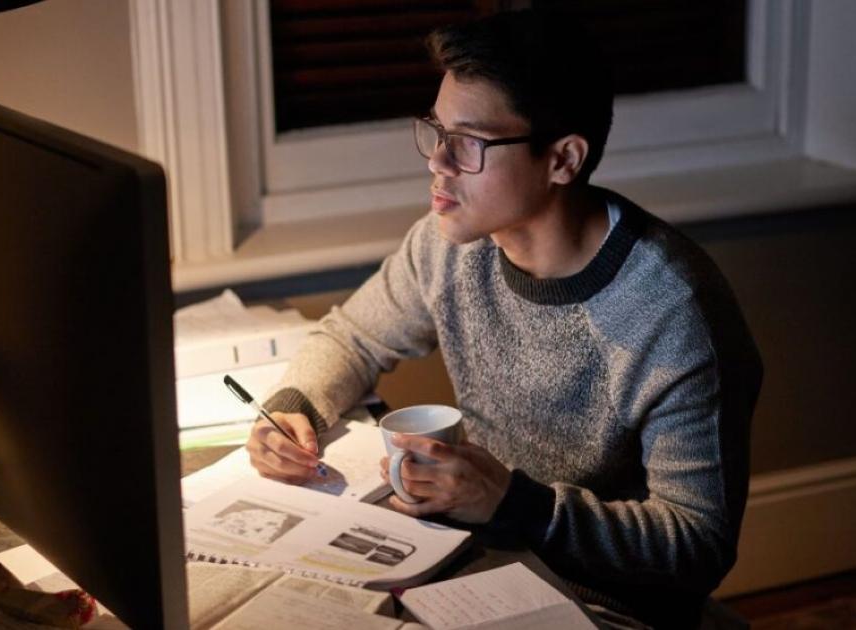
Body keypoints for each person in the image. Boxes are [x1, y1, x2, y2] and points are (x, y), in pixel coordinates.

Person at [245, 8, 762, 628]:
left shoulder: (674, 314)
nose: (438, 162)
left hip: (606, 605)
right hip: (473, 562)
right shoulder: (448, 245)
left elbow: (696, 546)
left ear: (563, 160)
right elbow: (352, 337)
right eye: (436, 131)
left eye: (470, 143)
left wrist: (521, 507)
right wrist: (294, 405)